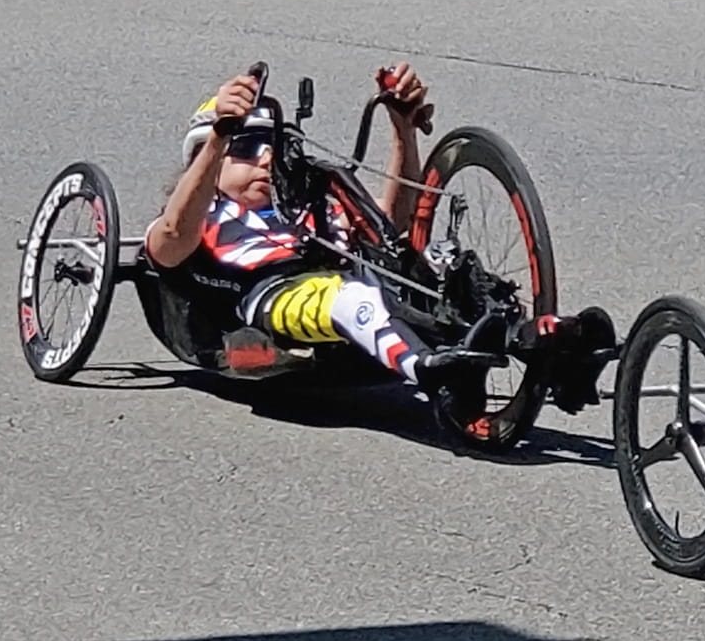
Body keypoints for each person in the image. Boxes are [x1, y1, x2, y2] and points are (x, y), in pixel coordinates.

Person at [140, 61, 615, 433]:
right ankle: (435, 374)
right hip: (271, 301)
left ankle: (544, 342)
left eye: (272, 148)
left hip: (357, 286)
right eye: (245, 150)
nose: (264, 160)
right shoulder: (201, 217)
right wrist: (222, 135)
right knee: (352, 297)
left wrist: (402, 128)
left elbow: (391, 232)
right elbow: (170, 242)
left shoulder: (303, 204)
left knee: (442, 276)